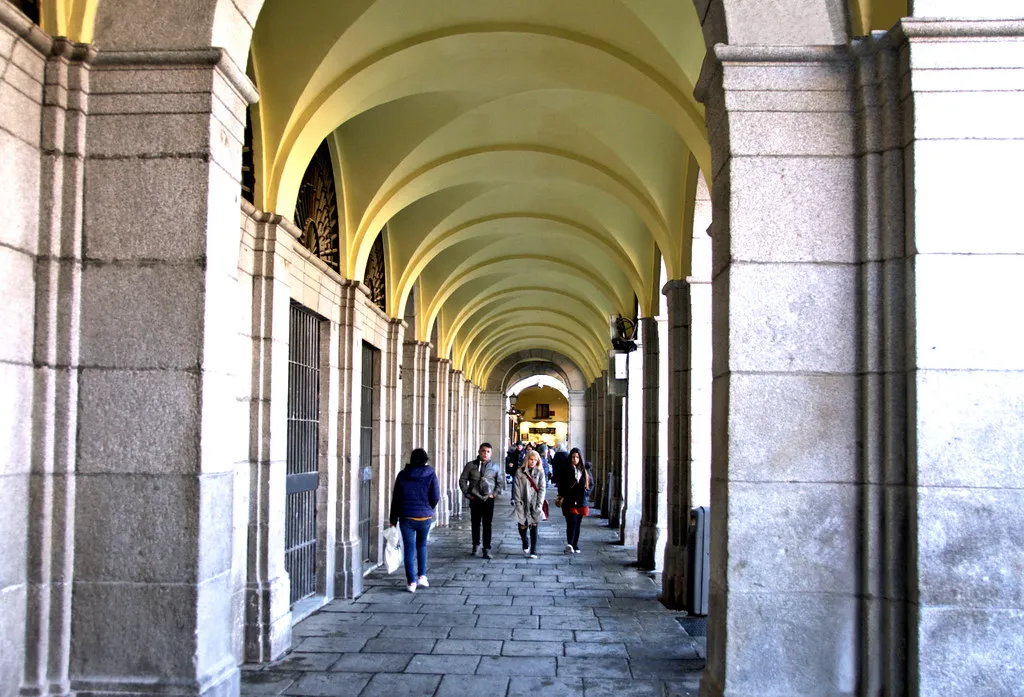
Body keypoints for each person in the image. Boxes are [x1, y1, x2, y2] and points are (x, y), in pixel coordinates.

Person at [388, 448, 440, 592]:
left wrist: (393, 518)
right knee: (422, 545)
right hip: (425, 517)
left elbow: (396, 499)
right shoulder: (431, 474)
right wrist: (429, 508)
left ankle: (411, 582)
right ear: (425, 459)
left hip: (407, 517)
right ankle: (422, 576)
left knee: (409, 549)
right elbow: (435, 495)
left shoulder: (402, 475)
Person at [458, 442, 504, 559]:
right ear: (479, 452)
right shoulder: (470, 465)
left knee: (487, 524)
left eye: (488, 452)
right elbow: (462, 480)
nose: (485, 454)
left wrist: (494, 494)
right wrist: (467, 494)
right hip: (475, 498)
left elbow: (500, 482)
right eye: (483, 451)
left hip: (488, 499)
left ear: (491, 453)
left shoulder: (494, 466)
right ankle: (475, 544)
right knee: (475, 523)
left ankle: (486, 548)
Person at [556, 447, 592, 554]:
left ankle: (575, 544)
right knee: (571, 522)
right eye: (573, 457)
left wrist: (586, 494)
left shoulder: (584, 470)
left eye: (577, 457)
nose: (575, 459)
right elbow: (561, 483)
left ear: (580, 458)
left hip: (580, 500)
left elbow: (591, 483)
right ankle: (570, 544)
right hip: (569, 500)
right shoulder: (566, 469)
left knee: (577, 524)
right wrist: (562, 494)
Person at [513, 450, 547, 558]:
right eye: (531, 459)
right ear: (527, 459)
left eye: (535, 460)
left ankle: (533, 550)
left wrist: (539, 504)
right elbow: (517, 488)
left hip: (535, 502)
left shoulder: (540, 472)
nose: (532, 462)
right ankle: (524, 540)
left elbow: (542, 488)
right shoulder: (520, 471)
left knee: (534, 524)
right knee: (522, 525)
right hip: (523, 501)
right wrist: (518, 503)